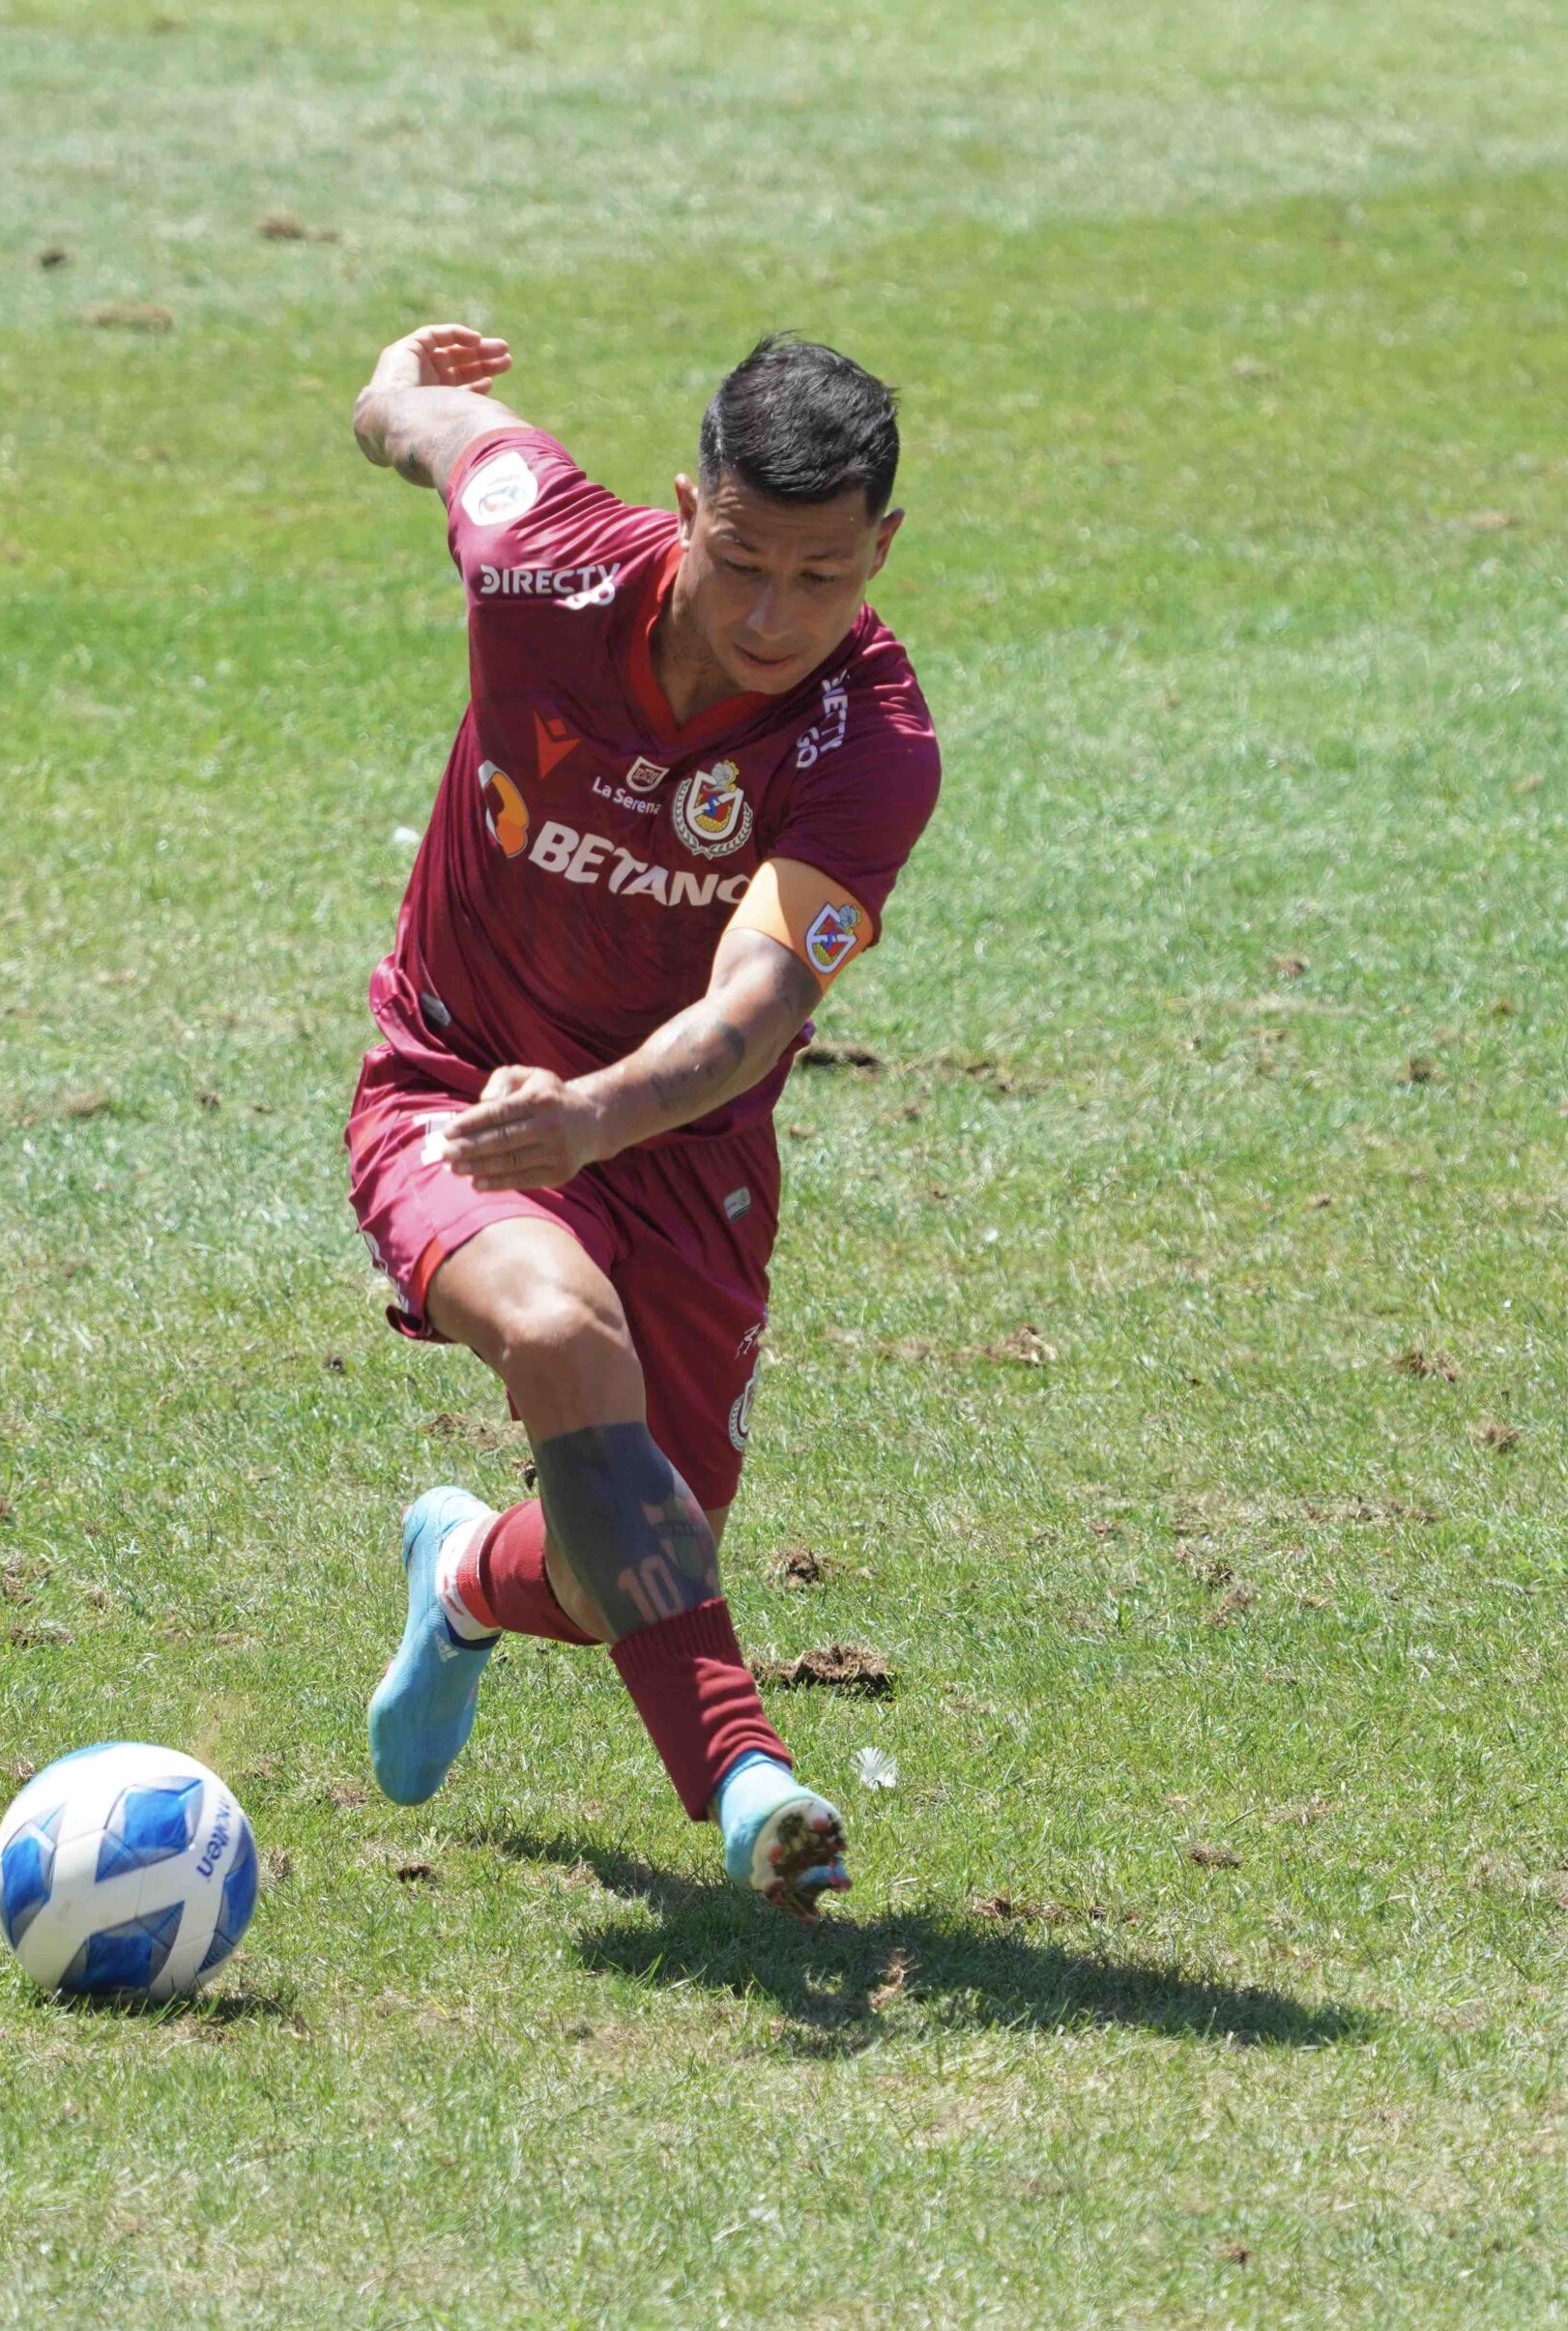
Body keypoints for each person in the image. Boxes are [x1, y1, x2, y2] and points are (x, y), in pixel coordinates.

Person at [344, 325, 940, 1913]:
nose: (770, 618)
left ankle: (465, 1572)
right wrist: (399, 382)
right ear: (684, 507)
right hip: (457, 1089)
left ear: (881, 551)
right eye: (739, 561)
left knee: (636, 1546)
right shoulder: (539, 556)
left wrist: (597, 1114)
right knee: (557, 1333)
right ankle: (752, 1784)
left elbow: (756, 1005)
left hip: (676, 1147)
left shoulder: (868, 746)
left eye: (820, 578)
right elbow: (427, 430)